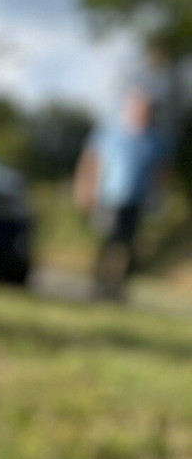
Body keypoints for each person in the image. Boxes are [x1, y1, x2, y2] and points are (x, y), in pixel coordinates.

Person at [74, 62, 174, 299]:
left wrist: (159, 196)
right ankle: (98, 285)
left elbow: (162, 171)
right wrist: (85, 189)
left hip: (136, 200)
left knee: (128, 245)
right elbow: (90, 161)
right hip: (108, 197)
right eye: (139, 106)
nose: (143, 111)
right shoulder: (111, 133)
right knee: (107, 241)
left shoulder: (156, 140)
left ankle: (118, 289)